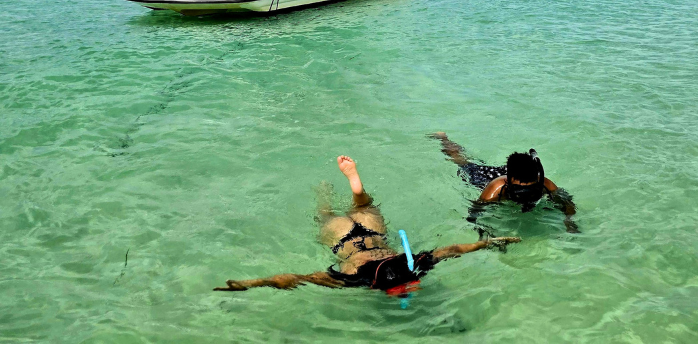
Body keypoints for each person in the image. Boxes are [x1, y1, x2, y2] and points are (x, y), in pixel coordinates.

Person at [214, 155, 520, 293]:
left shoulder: (412, 264)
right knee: (325, 215)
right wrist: (251, 284)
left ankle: (347, 189)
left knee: (360, 206)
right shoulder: (358, 279)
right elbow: (296, 278)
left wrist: (488, 243)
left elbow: (452, 249)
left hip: (369, 232)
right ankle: (334, 193)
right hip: (342, 240)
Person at [431, 132, 578, 232]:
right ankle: (443, 138)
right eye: (521, 190)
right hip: (486, 178)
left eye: (530, 188)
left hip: (516, 173)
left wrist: (569, 221)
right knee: (463, 162)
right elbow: (476, 209)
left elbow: (566, 201)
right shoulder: (495, 189)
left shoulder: (544, 183)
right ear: (510, 180)